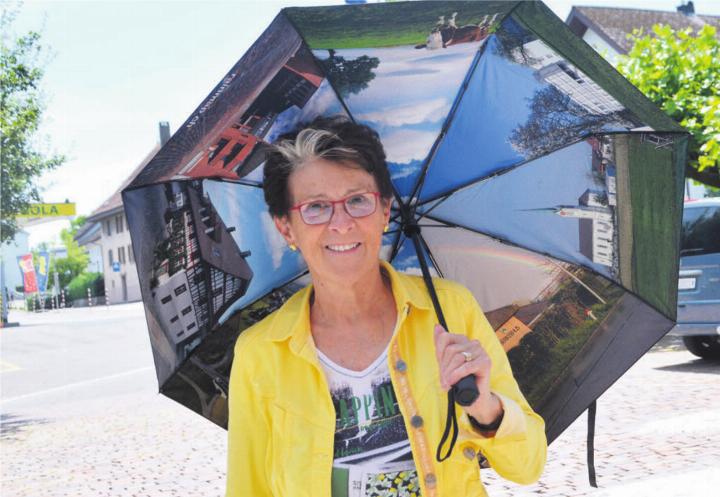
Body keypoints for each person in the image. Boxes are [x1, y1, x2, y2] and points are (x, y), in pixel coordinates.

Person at [226, 116, 546, 497]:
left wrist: (485, 406)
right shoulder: (259, 353)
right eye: (316, 207)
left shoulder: (450, 309)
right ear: (286, 228)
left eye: (357, 200)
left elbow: (528, 466)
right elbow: (249, 488)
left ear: (384, 210)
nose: (341, 223)